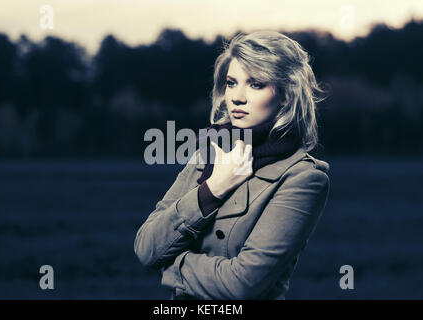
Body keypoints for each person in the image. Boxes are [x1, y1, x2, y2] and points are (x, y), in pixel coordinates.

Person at [134, 30, 330, 300]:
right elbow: (146, 248)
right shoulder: (211, 150)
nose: (237, 97)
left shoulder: (303, 177)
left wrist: (172, 265)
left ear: (286, 95)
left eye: (256, 84)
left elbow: (242, 285)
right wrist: (213, 188)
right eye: (231, 82)